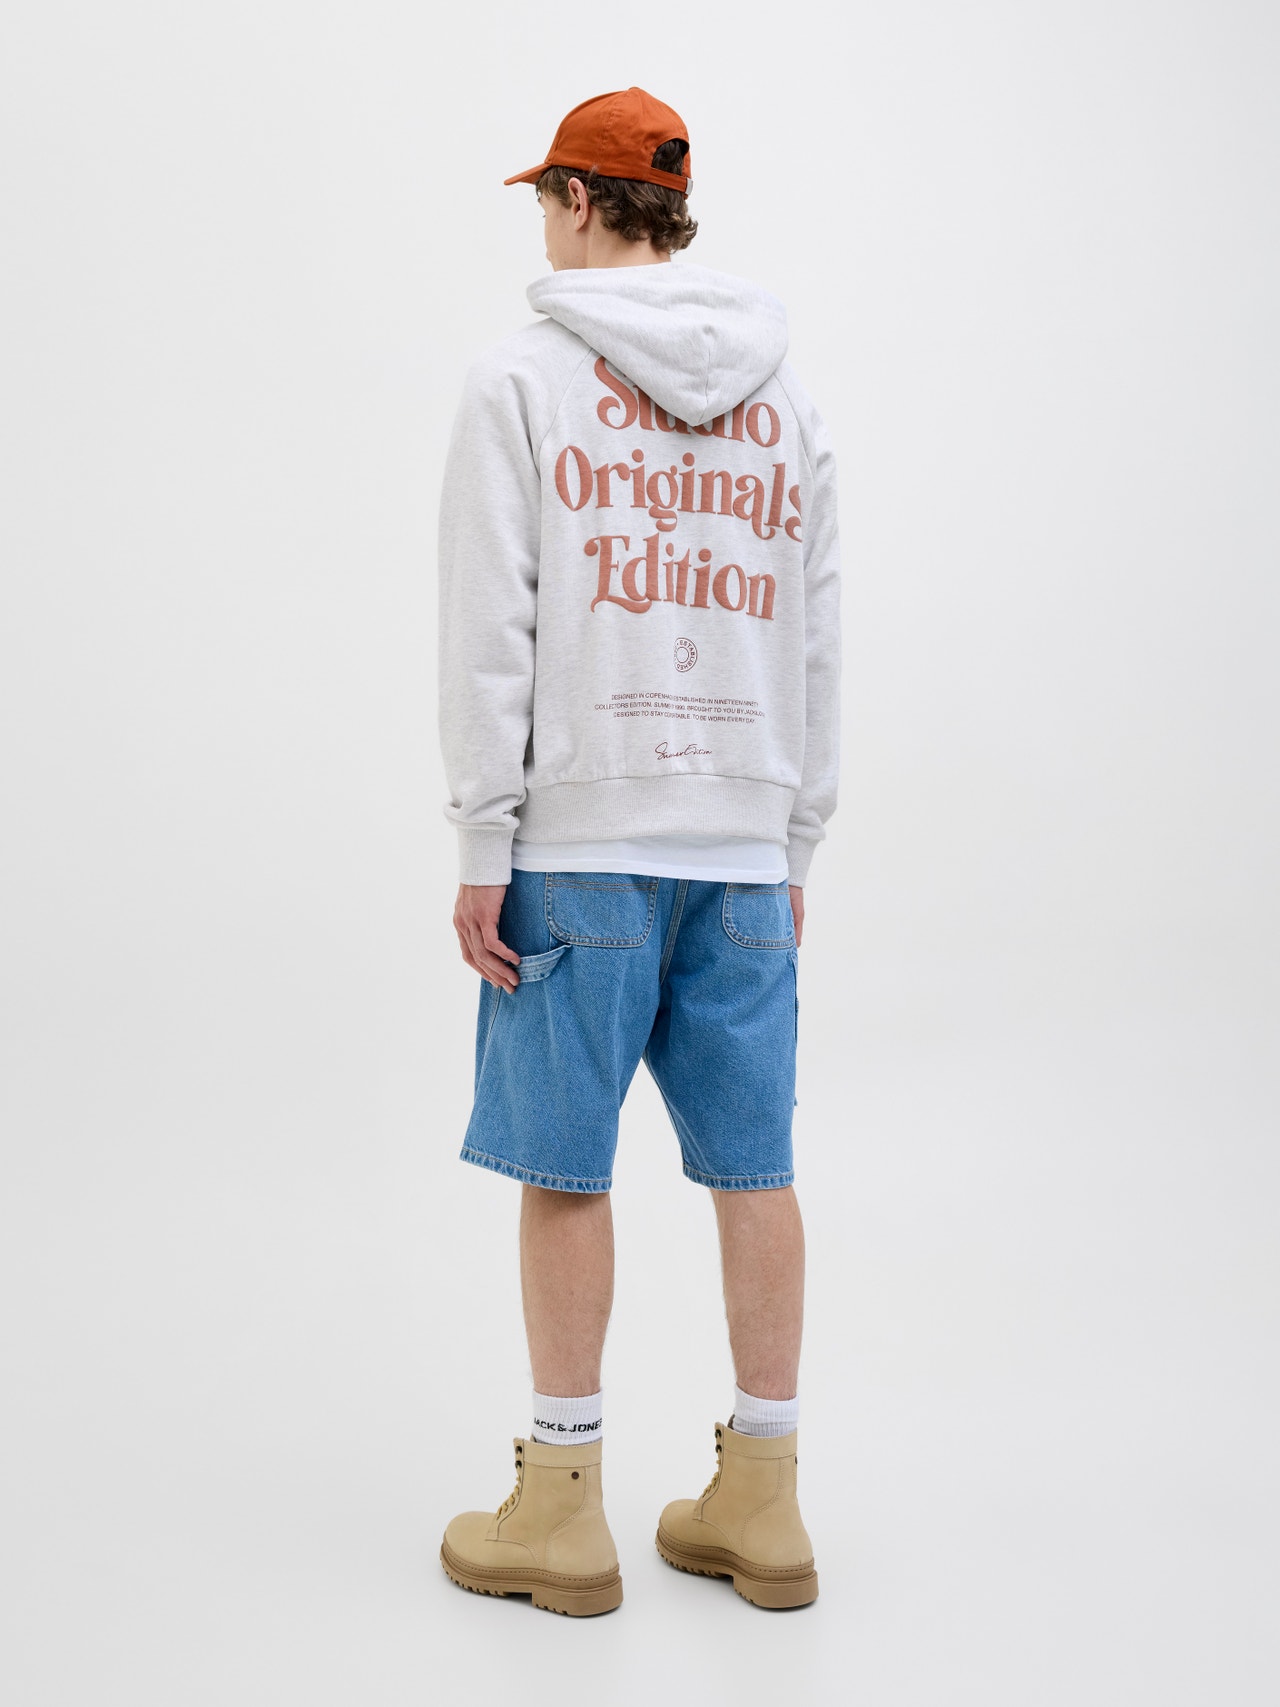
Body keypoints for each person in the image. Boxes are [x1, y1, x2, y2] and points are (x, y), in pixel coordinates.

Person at [435, 86, 842, 1616]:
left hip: (582, 841)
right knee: (756, 1169)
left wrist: (484, 836)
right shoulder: (789, 402)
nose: (543, 224)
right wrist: (793, 840)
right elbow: (817, 638)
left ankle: (562, 1507)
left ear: (580, 200)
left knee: (564, 1167)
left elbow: (493, 627)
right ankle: (765, 1499)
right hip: (741, 847)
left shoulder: (521, 380)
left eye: (547, 198)